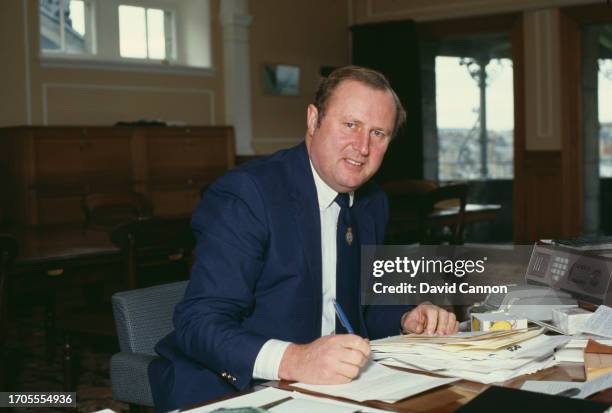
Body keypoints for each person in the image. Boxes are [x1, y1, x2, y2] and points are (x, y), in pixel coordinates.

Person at [149, 66, 459, 412]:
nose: (362, 147)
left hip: (330, 388)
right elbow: (199, 323)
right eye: (350, 125)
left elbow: (359, 306)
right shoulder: (249, 194)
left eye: (378, 133)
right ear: (313, 120)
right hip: (230, 386)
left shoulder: (372, 203)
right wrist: (295, 359)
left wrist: (406, 318)